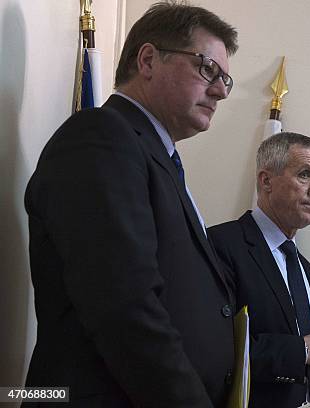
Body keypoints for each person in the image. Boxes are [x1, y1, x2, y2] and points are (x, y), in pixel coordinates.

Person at [24, 3, 238, 407]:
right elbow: (124, 304)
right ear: (148, 60)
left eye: (226, 80)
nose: (221, 91)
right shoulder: (101, 137)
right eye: (208, 68)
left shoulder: (155, 156)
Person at [208, 132, 310, 408]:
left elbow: (307, 361)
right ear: (266, 181)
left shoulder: (305, 269)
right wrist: (304, 350)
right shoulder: (221, 245)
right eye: (305, 175)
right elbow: (215, 350)